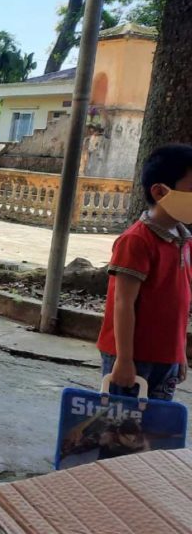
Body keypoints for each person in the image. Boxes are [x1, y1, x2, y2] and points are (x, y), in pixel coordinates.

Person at [97, 144, 192, 401]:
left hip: (166, 357)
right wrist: (124, 360)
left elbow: (181, 306)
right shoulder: (136, 241)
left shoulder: (184, 240)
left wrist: (180, 353)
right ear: (160, 192)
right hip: (133, 358)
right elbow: (123, 302)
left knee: (153, 434)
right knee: (120, 431)